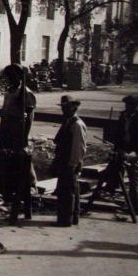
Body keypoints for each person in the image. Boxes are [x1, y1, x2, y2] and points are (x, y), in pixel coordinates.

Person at [0, 63, 37, 199]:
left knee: (22, 159)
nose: (9, 79)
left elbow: (29, 118)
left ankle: (32, 186)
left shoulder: (26, 94)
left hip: (17, 133)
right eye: (8, 77)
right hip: (6, 132)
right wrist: (0, 132)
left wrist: (24, 136)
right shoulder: (9, 92)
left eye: (11, 76)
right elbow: (4, 115)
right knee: (4, 159)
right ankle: (7, 188)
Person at [52, 95, 88, 226]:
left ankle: (66, 220)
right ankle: (72, 218)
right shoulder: (68, 122)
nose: (64, 110)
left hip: (69, 162)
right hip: (63, 160)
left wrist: (73, 163)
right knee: (68, 190)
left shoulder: (77, 124)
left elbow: (79, 147)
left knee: (68, 192)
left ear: (74, 107)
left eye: (66, 107)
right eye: (63, 107)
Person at [116, 94, 138, 215]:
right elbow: (119, 133)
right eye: (127, 105)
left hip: (137, 150)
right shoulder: (123, 116)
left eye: (132, 106)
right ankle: (127, 200)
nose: (128, 107)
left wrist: (135, 153)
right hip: (124, 148)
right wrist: (119, 148)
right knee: (115, 171)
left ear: (137, 106)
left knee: (136, 178)